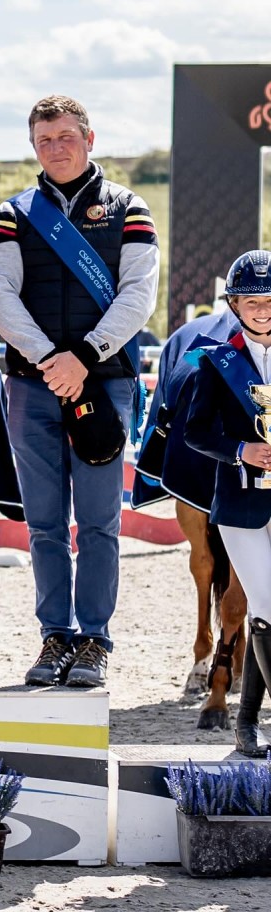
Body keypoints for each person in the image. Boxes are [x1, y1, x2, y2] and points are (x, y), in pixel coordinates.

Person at [0, 95, 159, 688]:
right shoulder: (13, 213)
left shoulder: (130, 209)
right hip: (33, 386)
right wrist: (48, 359)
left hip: (104, 384)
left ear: (89, 137)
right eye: (44, 141)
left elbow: (139, 296)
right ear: (33, 147)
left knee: (102, 520)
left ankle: (95, 639)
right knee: (44, 524)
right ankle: (54, 636)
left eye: (65, 137)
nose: (56, 148)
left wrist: (82, 356)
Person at [186, 250, 271, 758]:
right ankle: (250, 720)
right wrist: (241, 449)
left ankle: (244, 721)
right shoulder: (217, 362)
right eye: (251, 302)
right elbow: (196, 432)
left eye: (269, 301)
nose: (262, 310)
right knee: (263, 606)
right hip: (239, 502)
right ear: (234, 306)